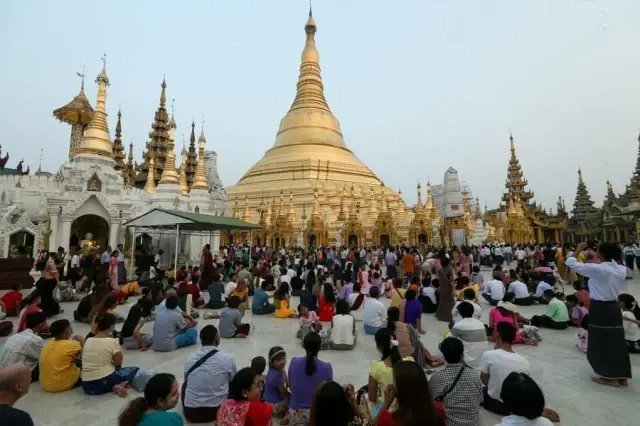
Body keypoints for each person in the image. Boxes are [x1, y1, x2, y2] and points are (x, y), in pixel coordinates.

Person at [183, 325, 236, 423]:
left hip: (191, 412)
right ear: (217, 339)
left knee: (185, 384)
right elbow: (232, 379)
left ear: (201, 340)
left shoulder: (190, 358)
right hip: (217, 410)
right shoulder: (227, 358)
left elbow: (187, 379)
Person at [81, 313, 140, 397]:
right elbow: (118, 362)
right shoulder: (112, 341)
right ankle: (119, 384)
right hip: (104, 381)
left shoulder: (88, 340)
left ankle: (114, 386)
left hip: (86, 386)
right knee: (134, 370)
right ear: (111, 327)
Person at [479, 322, 531, 415]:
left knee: (476, 386)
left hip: (497, 404)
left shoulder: (488, 355)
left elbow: (484, 382)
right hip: (517, 405)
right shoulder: (524, 361)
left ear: (498, 335)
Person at [429, 337, 482, 426]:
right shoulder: (475, 375)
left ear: (444, 356)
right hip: (474, 423)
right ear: (462, 355)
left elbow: (430, 400)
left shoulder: (437, 378)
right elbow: (479, 399)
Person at [375, 360, 445, 426]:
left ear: (401, 389)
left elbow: (377, 423)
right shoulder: (438, 410)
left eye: (394, 382)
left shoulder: (391, 421)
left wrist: (386, 403)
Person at [288, 333, 333, 423]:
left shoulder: (294, 362)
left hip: (294, 415)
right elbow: (329, 394)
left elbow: (290, 385)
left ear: (304, 346)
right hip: (316, 416)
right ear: (319, 347)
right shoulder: (327, 367)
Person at [368, 328, 413, 414]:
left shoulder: (376, 367)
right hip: (408, 410)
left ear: (379, 346)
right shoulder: (410, 361)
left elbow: (372, 398)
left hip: (387, 410)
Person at [118, 373, 183, 426]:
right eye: (174, 394)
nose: (179, 394)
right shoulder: (172, 420)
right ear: (160, 402)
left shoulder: (135, 416)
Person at [39, 319, 84, 392]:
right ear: (67, 330)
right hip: (62, 385)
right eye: (70, 327)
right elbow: (88, 353)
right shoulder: (71, 345)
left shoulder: (47, 345)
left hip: (45, 385)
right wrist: (82, 341)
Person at [0, 312, 46, 382]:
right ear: (40, 325)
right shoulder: (35, 339)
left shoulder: (14, 336)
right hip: (17, 377)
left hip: (4, 372)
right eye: (45, 323)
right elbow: (44, 357)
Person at [449, 302, 490, 369]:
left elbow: (449, 340)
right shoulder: (480, 323)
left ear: (459, 313)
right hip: (483, 361)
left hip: (469, 363)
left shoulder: (459, 325)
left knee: (443, 345)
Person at [436, 256, 454, 322]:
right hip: (448, 288)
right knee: (449, 303)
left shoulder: (440, 270)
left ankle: (439, 315)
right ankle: (447, 317)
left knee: (442, 301)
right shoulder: (449, 269)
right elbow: (451, 281)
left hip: (442, 288)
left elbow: (439, 279)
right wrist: (454, 289)